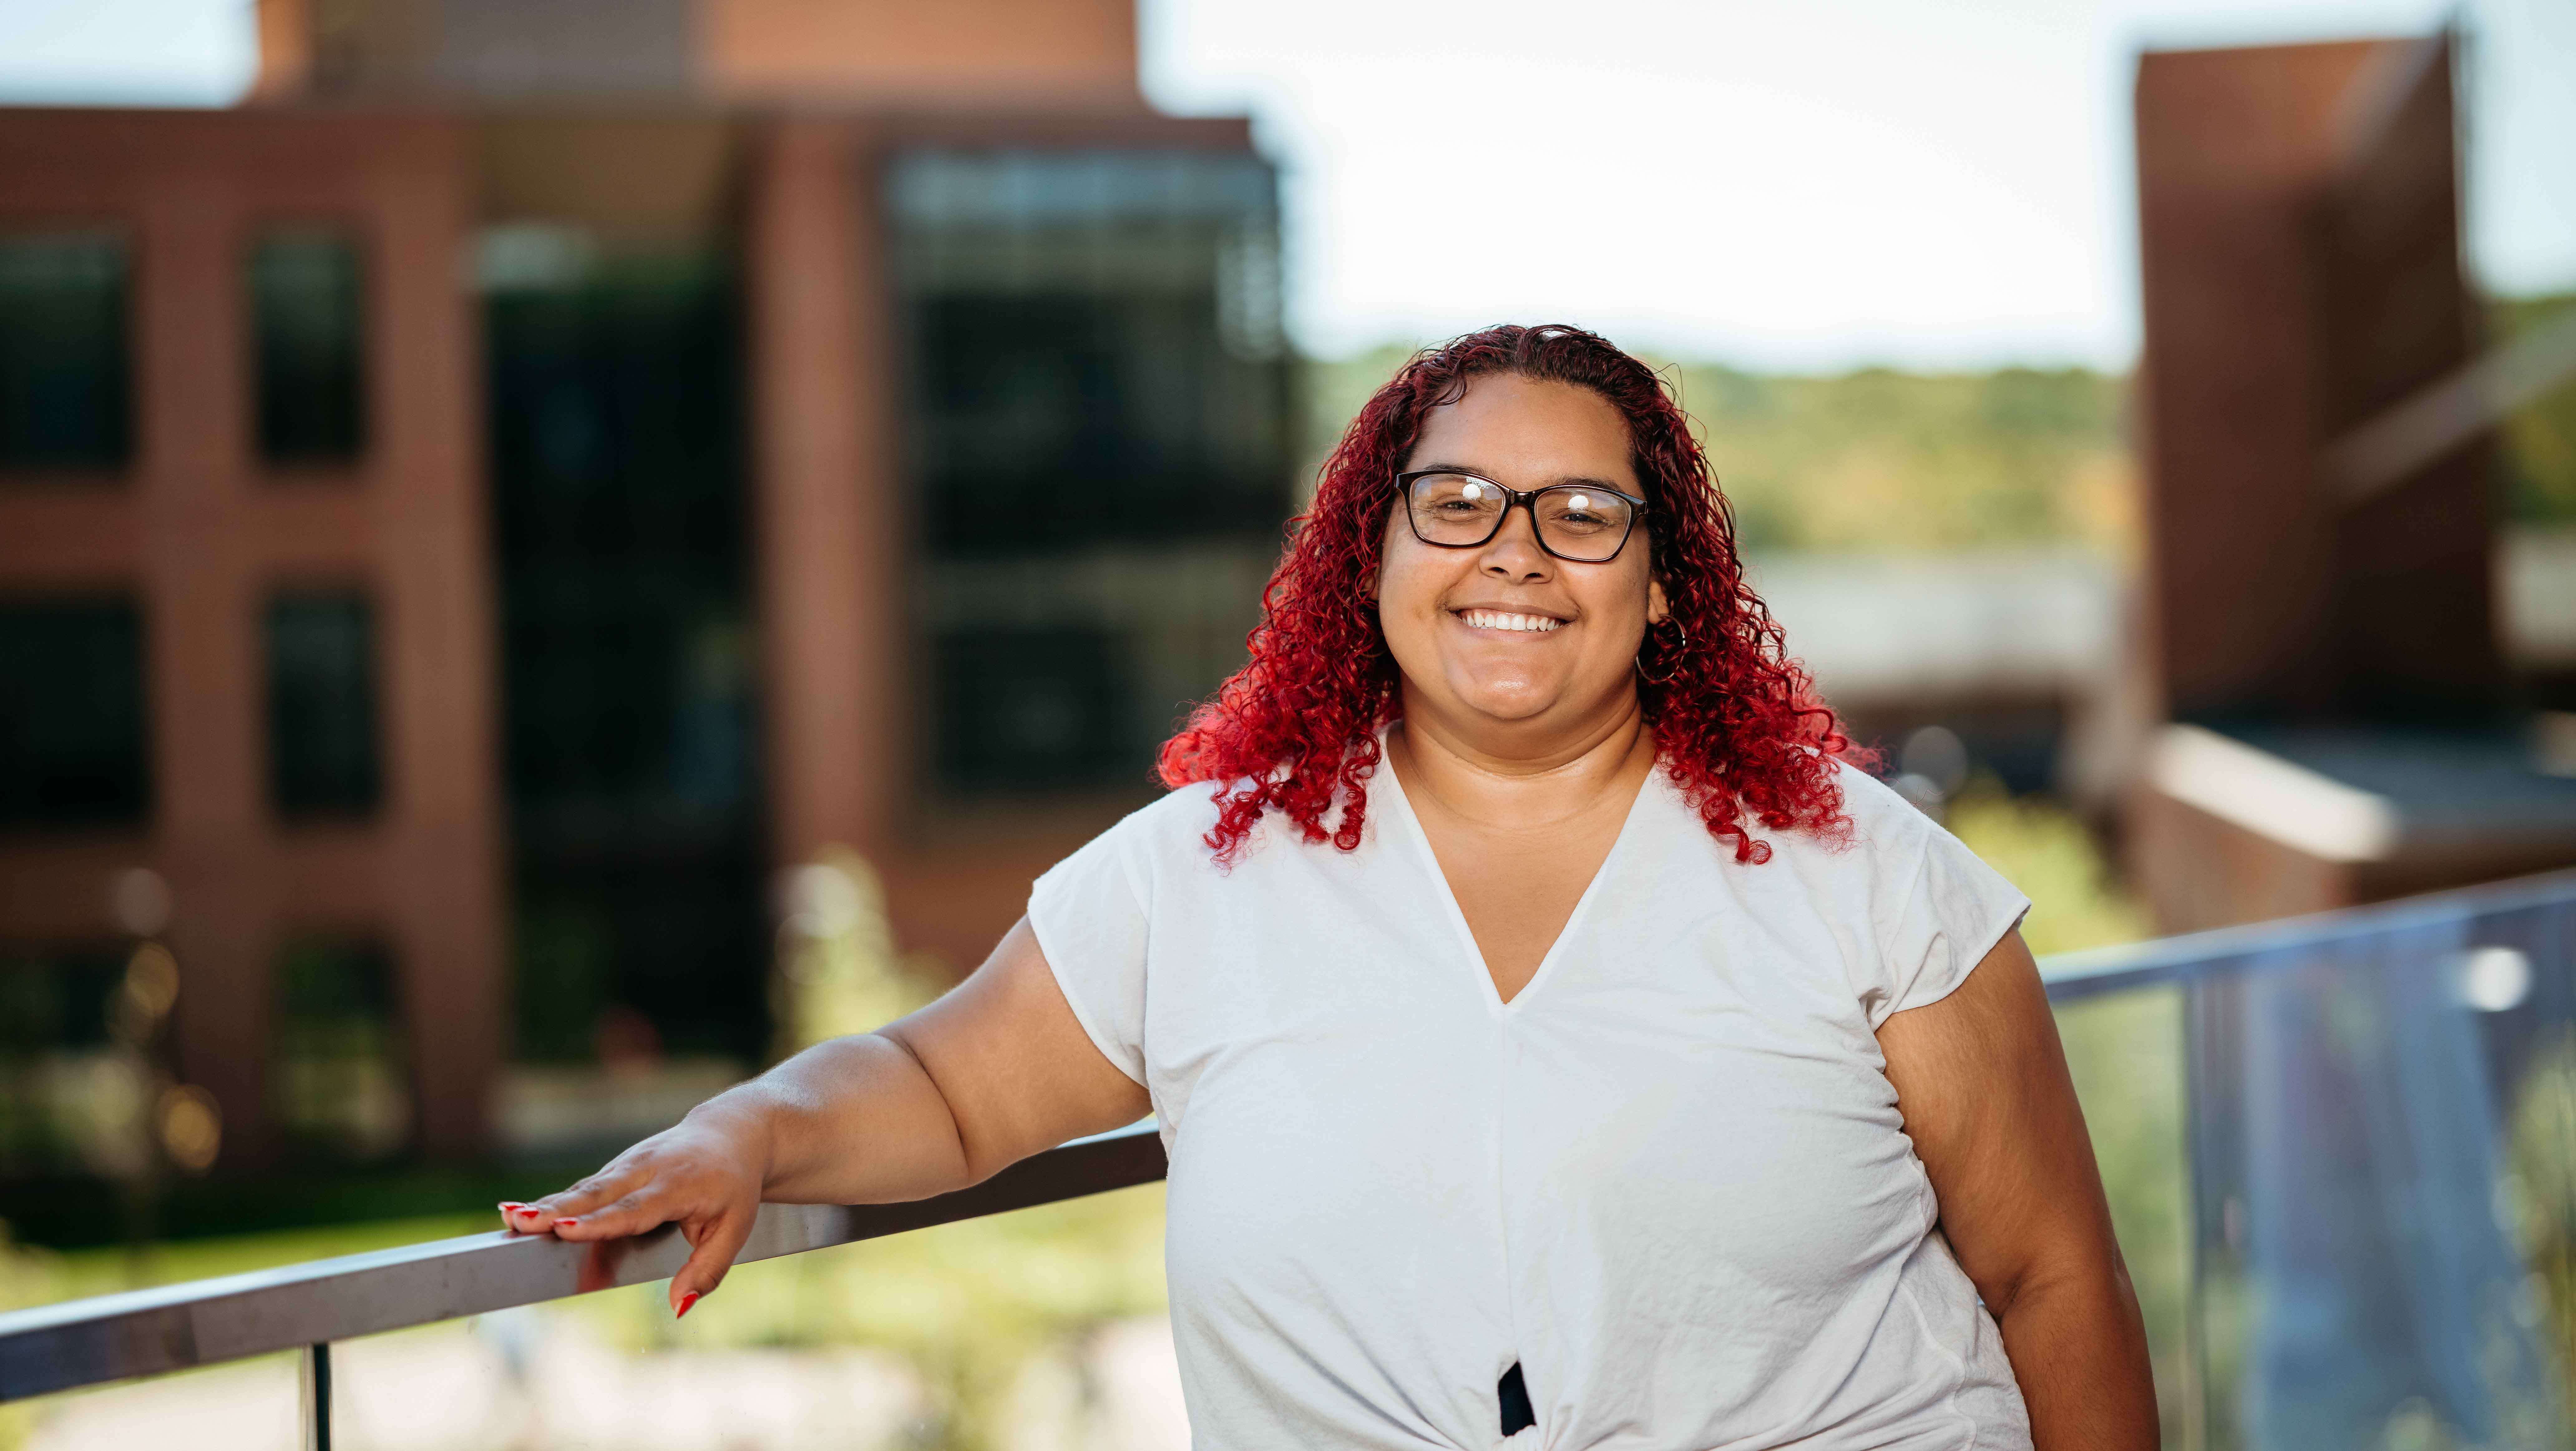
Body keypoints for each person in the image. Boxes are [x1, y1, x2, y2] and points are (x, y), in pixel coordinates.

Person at [503, 324, 2158, 1449]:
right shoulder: (1201, 877)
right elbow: (942, 1083)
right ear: (1372, 560)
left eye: (1585, 514)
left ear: (1666, 588)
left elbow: (2052, 1281)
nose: (1514, 550)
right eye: (1457, 503)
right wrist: (747, 1135)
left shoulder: (1876, 883)